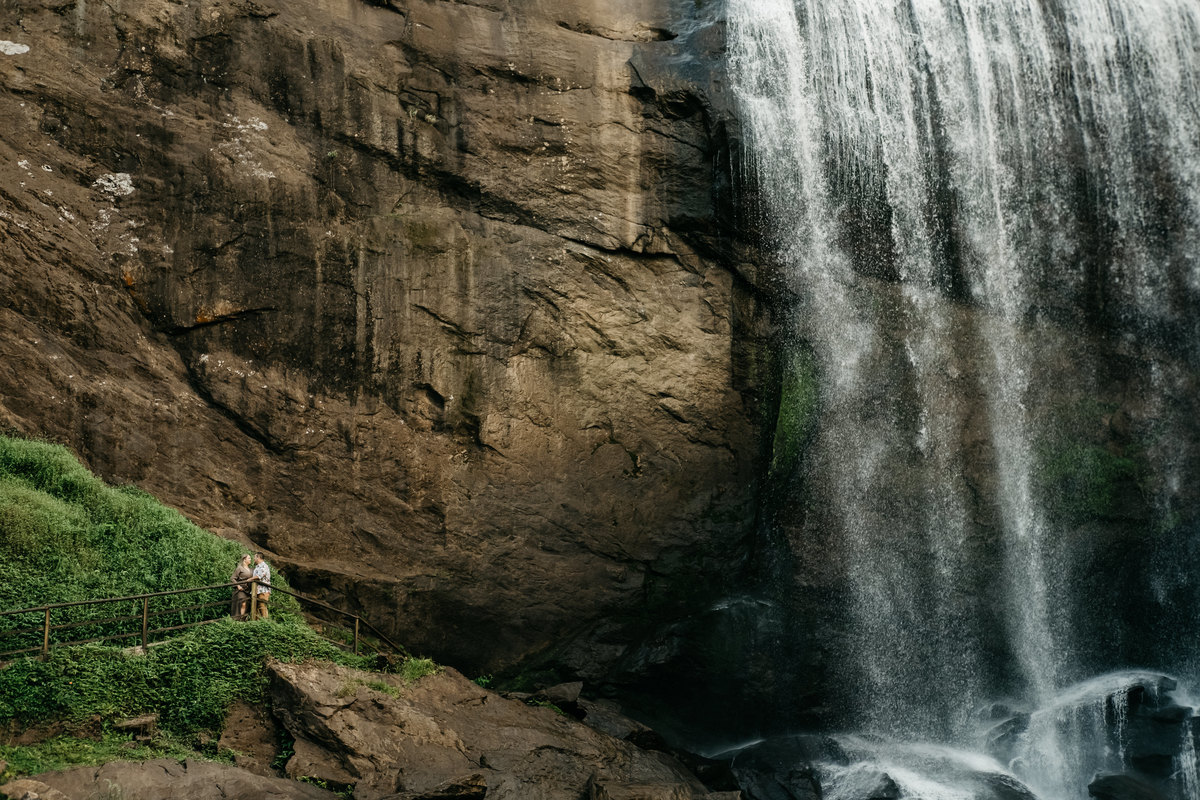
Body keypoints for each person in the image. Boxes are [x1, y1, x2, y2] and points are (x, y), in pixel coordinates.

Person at [230, 554, 253, 621]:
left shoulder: (251, 569)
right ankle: (239, 619)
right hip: (241, 589)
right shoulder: (240, 568)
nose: (250, 559)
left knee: (247, 605)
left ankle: (243, 619)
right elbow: (232, 578)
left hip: (248, 590)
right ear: (244, 559)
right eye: (249, 558)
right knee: (242, 603)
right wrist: (238, 586)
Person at [251, 552, 272, 620]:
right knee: (257, 607)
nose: (254, 559)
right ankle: (258, 623)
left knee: (262, 606)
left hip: (263, 590)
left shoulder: (263, 566)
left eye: (255, 557)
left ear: (258, 558)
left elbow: (259, 576)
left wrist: (250, 579)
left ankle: (265, 622)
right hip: (258, 590)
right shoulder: (258, 566)